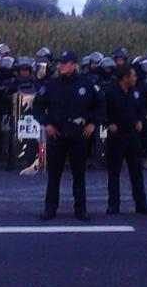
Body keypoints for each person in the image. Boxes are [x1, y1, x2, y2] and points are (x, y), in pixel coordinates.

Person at [33, 50, 105, 222]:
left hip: (78, 135)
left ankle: (81, 209)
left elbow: (100, 104)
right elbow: (37, 106)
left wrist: (93, 123)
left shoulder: (86, 84)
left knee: (79, 174)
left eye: (65, 63)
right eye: (60, 63)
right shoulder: (51, 85)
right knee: (54, 174)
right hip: (57, 135)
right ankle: (50, 208)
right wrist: (46, 123)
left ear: (73, 65)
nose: (61, 66)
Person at [103, 66, 147, 215]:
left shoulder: (136, 93)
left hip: (133, 136)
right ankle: (113, 204)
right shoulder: (110, 93)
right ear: (125, 78)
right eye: (133, 76)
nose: (135, 78)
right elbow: (102, 110)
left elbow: (142, 109)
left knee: (137, 172)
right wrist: (109, 123)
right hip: (116, 137)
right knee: (114, 173)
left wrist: (140, 120)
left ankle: (141, 204)